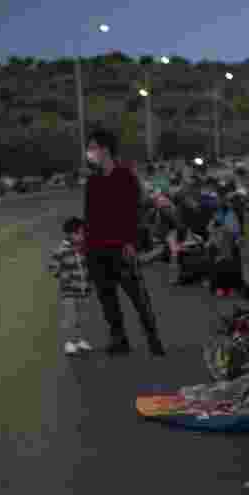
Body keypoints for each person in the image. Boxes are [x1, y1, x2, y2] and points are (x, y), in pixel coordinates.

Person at [83, 128, 166, 356]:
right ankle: (119, 340)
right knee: (107, 299)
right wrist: (85, 249)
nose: (89, 153)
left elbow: (133, 212)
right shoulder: (92, 182)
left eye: (92, 148)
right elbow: (89, 216)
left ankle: (153, 339)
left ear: (105, 150)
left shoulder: (126, 177)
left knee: (138, 296)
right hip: (97, 250)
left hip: (121, 247)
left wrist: (130, 242)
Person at [48, 217, 94, 356]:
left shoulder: (83, 249)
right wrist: (64, 276)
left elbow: (88, 266)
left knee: (81, 317)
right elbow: (52, 267)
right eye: (79, 233)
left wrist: (89, 280)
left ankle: (79, 340)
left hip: (83, 289)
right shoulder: (61, 250)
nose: (82, 236)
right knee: (70, 318)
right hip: (68, 291)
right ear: (70, 234)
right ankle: (69, 343)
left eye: (83, 233)